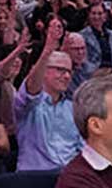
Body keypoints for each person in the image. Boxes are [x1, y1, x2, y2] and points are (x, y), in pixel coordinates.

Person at [14, 19, 83, 170]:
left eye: (69, 72)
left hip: (68, 176)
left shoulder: (73, 108)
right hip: (35, 177)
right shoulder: (29, 104)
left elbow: (82, 148)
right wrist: (46, 52)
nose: (66, 76)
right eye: (60, 70)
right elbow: (32, 88)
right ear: (44, 70)